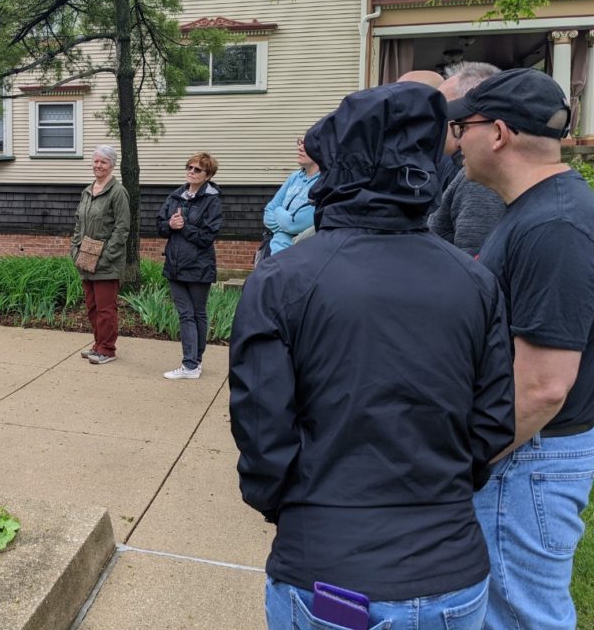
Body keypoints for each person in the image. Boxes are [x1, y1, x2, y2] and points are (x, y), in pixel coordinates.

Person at [229, 81, 515, 630]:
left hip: (329, 564)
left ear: (336, 166)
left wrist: (287, 507)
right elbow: (492, 427)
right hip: (447, 571)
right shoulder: (476, 282)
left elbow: (263, 431)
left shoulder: (282, 280)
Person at [449, 68, 594, 629]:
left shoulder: (556, 227)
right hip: (523, 457)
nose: (455, 140)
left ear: (497, 132)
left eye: (462, 125)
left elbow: (543, 387)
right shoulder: (536, 210)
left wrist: (465, 462)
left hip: (528, 463)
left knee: (520, 618)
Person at [156, 152, 223, 380]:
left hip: (198, 267)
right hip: (174, 265)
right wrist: (169, 224)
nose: (191, 172)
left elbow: (207, 237)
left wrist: (182, 227)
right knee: (186, 314)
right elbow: (160, 226)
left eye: (197, 170)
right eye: (189, 167)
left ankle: (192, 364)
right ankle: (192, 363)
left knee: (196, 314)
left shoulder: (212, 200)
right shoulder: (176, 196)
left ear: (208, 175)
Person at [429, 62, 506, 254]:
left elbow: (475, 270)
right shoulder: (467, 168)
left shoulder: (481, 178)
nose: (434, 124)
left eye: (441, 114)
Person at [72, 145, 130, 365]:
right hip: (86, 257)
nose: (98, 165)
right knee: (92, 306)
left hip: (106, 261)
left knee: (106, 309)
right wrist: (75, 248)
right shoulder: (88, 191)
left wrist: (106, 256)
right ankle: (98, 344)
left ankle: (107, 349)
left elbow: (122, 228)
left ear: (112, 165)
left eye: (103, 162)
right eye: (96, 161)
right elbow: (79, 222)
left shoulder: (118, 192)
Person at [262, 138, 319, 256]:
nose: (300, 147)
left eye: (306, 144)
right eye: (300, 142)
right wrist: (286, 229)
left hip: (302, 257)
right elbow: (268, 211)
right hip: (274, 256)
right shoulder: (294, 177)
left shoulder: (325, 182)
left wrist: (278, 211)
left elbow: (295, 224)